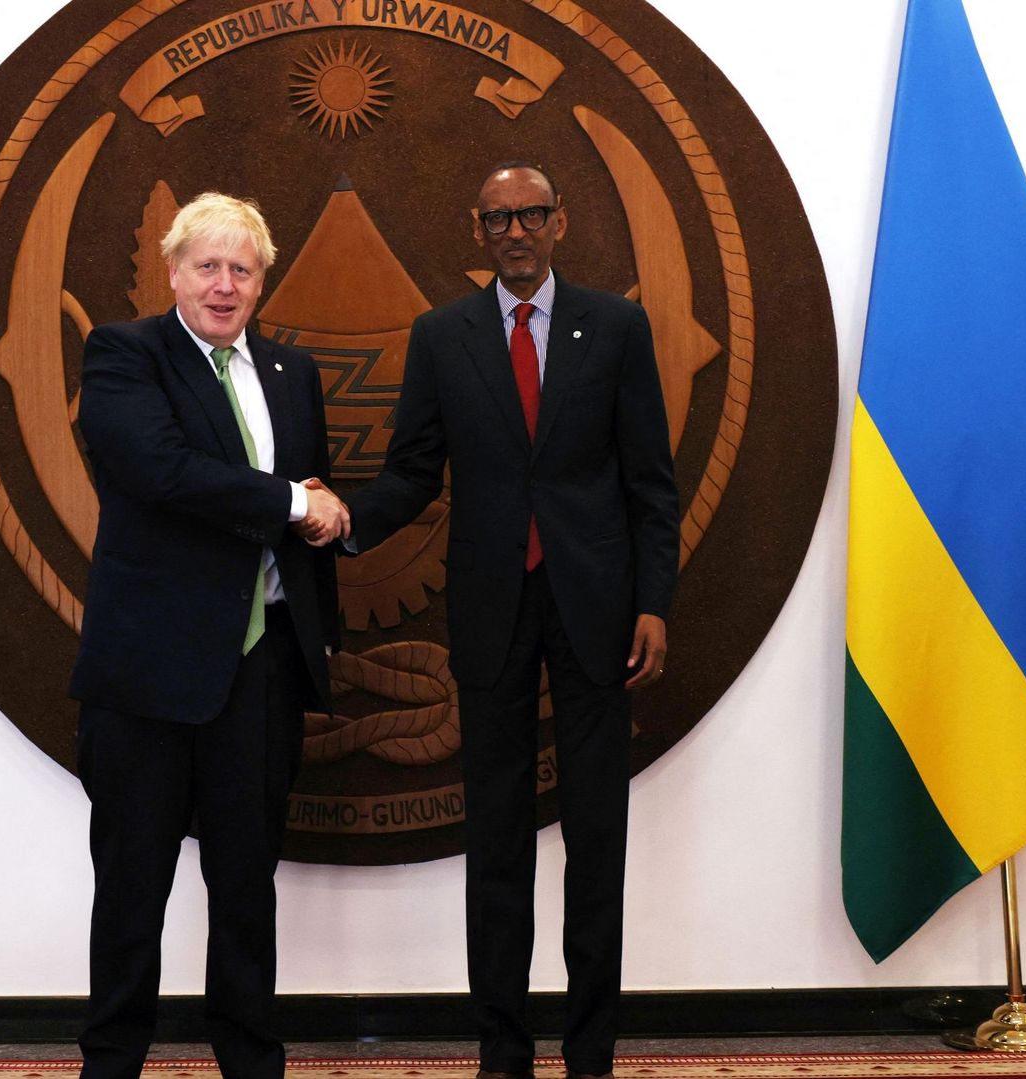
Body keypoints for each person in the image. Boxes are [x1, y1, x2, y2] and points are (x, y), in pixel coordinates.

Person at [318, 161, 680, 1079]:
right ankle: (503, 1051)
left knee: (597, 837)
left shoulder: (617, 326)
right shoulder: (443, 335)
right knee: (498, 839)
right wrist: (348, 518)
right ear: (476, 231)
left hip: (599, 613)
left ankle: (591, 1052)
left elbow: (650, 483)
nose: (515, 231)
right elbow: (413, 470)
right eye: (498, 219)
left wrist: (653, 602)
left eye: (531, 214)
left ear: (560, 222)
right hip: (489, 608)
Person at [68, 191, 347, 1079]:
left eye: (243, 269)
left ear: (262, 282)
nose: (224, 285)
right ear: (173, 272)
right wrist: (294, 501)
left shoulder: (292, 372)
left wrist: (321, 515)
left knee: (247, 886)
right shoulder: (125, 354)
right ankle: (112, 1064)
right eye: (208, 266)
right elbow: (161, 471)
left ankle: (252, 1062)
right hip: (148, 672)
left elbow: (313, 503)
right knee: (132, 887)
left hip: (261, 669)